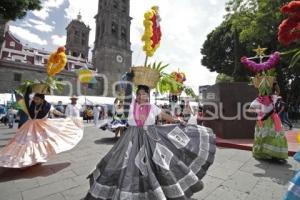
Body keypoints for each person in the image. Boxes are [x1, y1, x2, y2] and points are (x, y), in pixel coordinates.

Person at [85, 71, 216, 200]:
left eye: (145, 93)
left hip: (152, 139)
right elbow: (125, 92)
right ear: (136, 95)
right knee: (124, 163)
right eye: (140, 94)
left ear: (148, 95)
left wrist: (176, 120)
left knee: (158, 165)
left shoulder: (153, 107)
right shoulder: (130, 105)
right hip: (131, 139)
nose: (142, 96)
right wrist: (129, 79)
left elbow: (165, 116)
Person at [0, 88, 83, 168]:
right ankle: (26, 159)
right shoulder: (31, 104)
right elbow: (23, 100)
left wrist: (63, 115)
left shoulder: (48, 106)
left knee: (39, 142)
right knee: (28, 142)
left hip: (42, 127)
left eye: (37, 99)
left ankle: (38, 157)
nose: (35, 101)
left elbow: (55, 111)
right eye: (35, 99)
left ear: (42, 100)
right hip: (30, 126)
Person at [248, 82, 288, 161]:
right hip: (264, 121)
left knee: (270, 137)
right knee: (269, 137)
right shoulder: (259, 100)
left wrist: (274, 83)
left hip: (271, 121)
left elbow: (278, 91)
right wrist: (258, 110)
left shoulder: (272, 98)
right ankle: (268, 154)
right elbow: (250, 110)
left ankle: (272, 154)